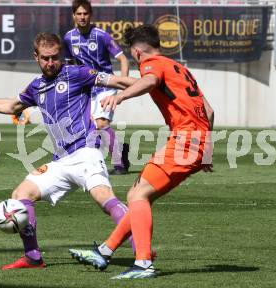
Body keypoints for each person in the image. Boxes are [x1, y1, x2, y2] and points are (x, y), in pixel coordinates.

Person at [0, 32, 137, 270]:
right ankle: (33, 256)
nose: (51, 63)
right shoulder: (37, 86)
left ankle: (142, 253)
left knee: (104, 199)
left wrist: (152, 82)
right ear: (36, 57)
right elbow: (12, 106)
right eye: (45, 58)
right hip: (60, 161)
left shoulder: (77, 73)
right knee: (20, 195)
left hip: (86, 153)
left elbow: (118, 81)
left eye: (55, 57)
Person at [68, 25, 214, 279]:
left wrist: (120, 97)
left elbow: (149, 81)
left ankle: (144, 263)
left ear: (136, 52)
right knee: (140, 196)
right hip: (197, 142)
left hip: (185, 141)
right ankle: (105, 250)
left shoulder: (153, 64)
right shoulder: (178, 68)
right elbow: (209, 111)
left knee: (137, 195)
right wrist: (207, 151)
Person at [63, 0, 130, 175]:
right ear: (73, 15)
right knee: (89, 128)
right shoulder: (69, 38)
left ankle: (119, 165)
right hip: (86, 88)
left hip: (106, 85)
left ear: (90, 15)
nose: (82, 17)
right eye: (79, 14)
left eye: (85, 14)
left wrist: (122, 84)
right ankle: (118, 150)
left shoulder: (102, 35)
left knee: (101, 124)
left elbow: (123, 59)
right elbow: (69, 64)